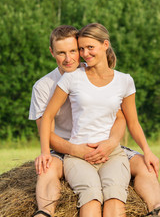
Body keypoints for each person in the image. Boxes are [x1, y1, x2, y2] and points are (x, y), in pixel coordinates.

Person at [29, 25, 160, 217]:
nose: (69, 58)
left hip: (103, 146)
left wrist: (112, 143)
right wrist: (74, 150)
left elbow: (122, 118)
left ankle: (155, 208)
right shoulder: (44, 86)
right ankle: (44, 212)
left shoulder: (96, 71)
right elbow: (46, 132)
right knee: (46, 169)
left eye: (74, 51)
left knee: (144, 165)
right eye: (61, 53)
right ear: (52, 52)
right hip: (65, 148)